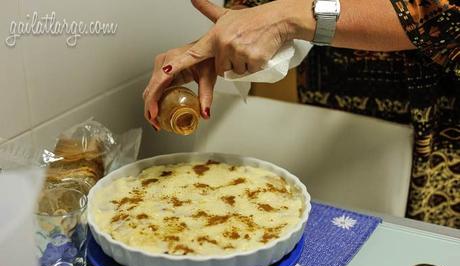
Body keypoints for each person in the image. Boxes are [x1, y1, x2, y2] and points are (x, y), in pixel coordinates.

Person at [143, 0, 459, 228]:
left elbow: (446, 14)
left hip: (438, 118)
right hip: (325, 94)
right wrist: (234, 34)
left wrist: (284, 18)